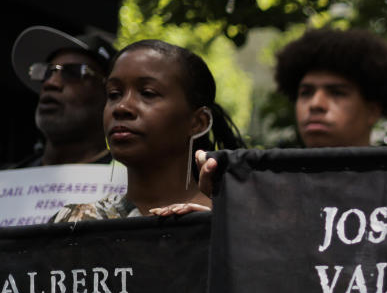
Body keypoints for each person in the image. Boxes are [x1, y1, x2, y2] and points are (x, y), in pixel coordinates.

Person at [51, 40, 243, 222]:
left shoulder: (234, 221)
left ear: (198, 122)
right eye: (114, 94)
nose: (121, 107)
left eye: (148, 93)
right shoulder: (75, 222)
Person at [273, 28, 387, 148]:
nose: (315, 104)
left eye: (337, 93)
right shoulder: (265, 177)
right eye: (305, 93)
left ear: (372, 111)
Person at [8, 26, 115, 167]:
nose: (51, 83)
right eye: (47, 72)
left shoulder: (129, 183)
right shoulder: (9, 181)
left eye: (74, 72)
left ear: (110, 94)